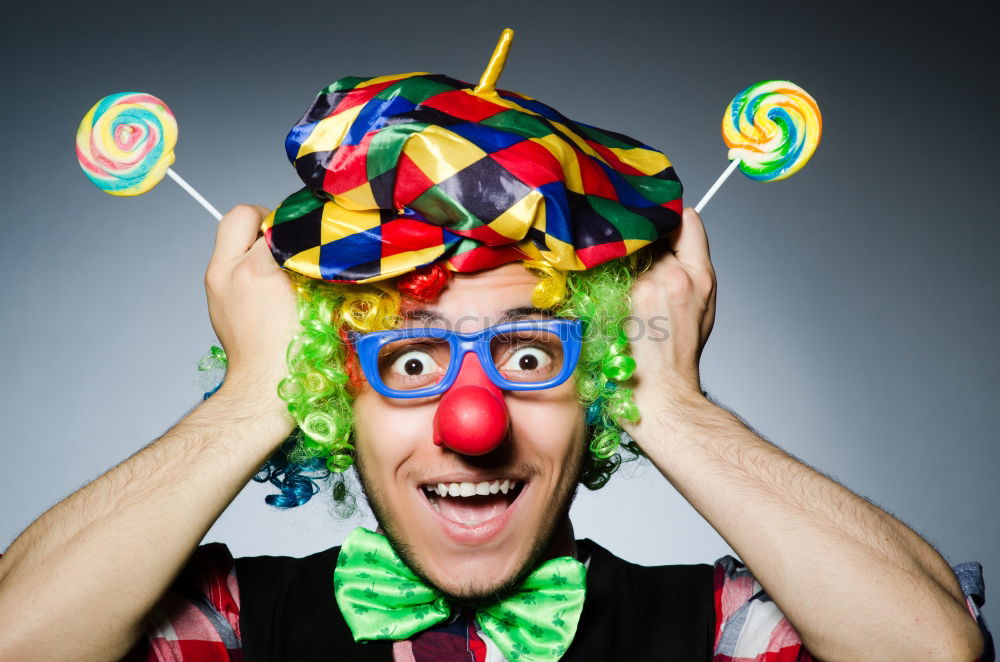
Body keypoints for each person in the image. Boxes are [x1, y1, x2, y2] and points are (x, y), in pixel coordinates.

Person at [0, 31, 992, 662]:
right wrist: (252, 394)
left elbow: (932, 651)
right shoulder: (228, 624)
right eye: (410, 360)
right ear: (334, 391)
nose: (469, 424)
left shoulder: (716, 630)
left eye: (527, 356)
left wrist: (676, 401)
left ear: (600, 383)